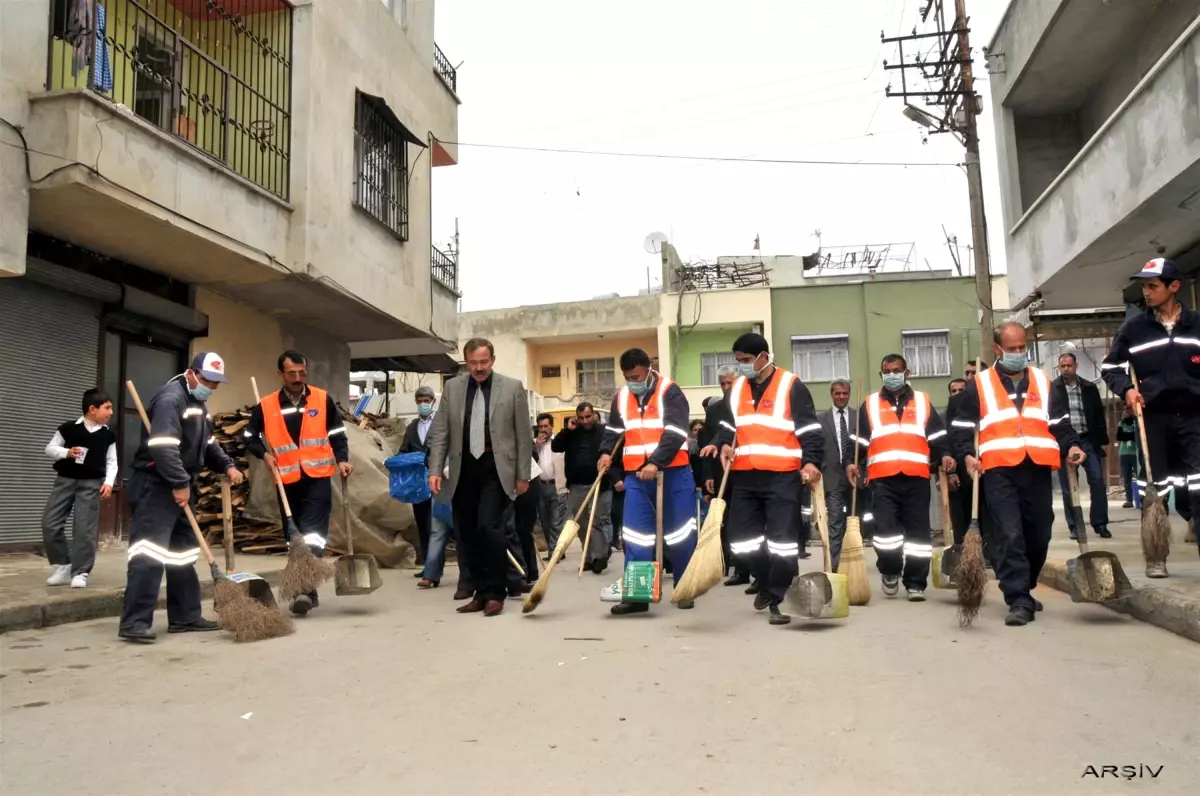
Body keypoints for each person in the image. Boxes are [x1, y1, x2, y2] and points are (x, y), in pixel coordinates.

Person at [951, 323, 1085, 626]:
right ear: (998, 350)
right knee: (1010, 534)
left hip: (1036, 466)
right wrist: (967, 455)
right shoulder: (981, 384)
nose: (1019, 353)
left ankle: (1024, 585)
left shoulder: (1042, 380)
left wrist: (1073, 446)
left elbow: (1060, 424)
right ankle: (1018, 599)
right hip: (998, 469)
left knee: (1041, 532)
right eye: (1012, 349)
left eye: (1022, 347)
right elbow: (961, 427)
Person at [119, 353, 243, 643]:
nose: (211, 387)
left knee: (182, 553)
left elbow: (207, 442)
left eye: (216, 384)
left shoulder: (197, 403)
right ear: (192, 373)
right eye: (207, 381)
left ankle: (185, 616)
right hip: (156, 485)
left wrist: (226, 464)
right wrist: (178, 482)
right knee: (148, 554)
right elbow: (163, 446)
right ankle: (135, 622)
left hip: (180, 482)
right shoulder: (170, 399)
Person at [705, 333, 824, 626]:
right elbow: (728, 424)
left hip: (782, 476)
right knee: (740, 540)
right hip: (745, 475)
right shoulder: (738, 388)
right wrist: (723, 443)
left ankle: (777, 596)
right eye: (738, 361)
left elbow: (810, 430)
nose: (741, 366)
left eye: (745, 360)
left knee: (783, 541)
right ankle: (767, 578)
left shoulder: (791, 385)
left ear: (763, 356)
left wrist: (811, 462)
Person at [1101, 258, 1200, 574]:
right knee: (1154, 487)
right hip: (1153, 418)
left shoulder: (1197, 324)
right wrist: (1126, 391)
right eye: (1144, 286)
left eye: (1153, 285)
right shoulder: (1135, 328)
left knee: (1198, 485)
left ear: (1174, 287)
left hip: (1194, 417)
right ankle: (1156, 555)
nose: (1146, 291)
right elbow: (1111, 367)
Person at [427, 338, 532, 617]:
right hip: (464, 469)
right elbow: (441, 433)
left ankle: (497, 592)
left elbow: (524, 435)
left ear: (493, 360)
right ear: (466, 363)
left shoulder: (512, 388)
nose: (479, 368)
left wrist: (523, 474)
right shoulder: (453, 388)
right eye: (473, 363)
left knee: (489, 527)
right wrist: (435, 469)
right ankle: (480, 591)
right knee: (468, 533)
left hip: (497, 468)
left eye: (484, 362)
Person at [246, 350, 352, 616]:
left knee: (313, 535)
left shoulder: (322, 398)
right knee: (294, 537)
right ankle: (307, 590)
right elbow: (249, 436)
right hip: (287, 480)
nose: (297, 378)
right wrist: (265, 454)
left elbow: (337, 434)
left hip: (317, 477)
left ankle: (302, 590)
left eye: (301, 373)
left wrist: (342, 460)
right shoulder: (267, 405)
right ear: (280, 374)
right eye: (291, 373)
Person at [847, 354, 956, 601]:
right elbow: (858, 441)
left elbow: (937, 436)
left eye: (897, 370)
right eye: (887, 370)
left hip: (916, 478)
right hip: (882, 478)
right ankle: (890, 569)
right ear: (881, 375)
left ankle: (916, 581)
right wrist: (851, 463)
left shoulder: (923, 401)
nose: (892, 374)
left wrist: (947, 454)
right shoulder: (871, 403)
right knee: (886, 530)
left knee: (918, 534)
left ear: (907, 373)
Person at [598, 348, 696, 615]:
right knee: (636, 535)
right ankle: (638, 595)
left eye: (637, 376)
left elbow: (675, 431)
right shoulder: (621, 397)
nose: (633, 381)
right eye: (629, 377)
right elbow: (614, 430)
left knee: (680, 534)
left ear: (649, 368)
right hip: (637, 477)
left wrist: (656, 461)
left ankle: (685, 587)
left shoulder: (670, 392)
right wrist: (606, 453)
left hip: (673, 473)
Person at [42, 389, 118, 589]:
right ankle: (63, 564)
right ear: (92, 409)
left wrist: (109, 482)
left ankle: (81, 572)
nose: (111, 412)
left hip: (91, 484)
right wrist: (67, 452)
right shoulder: (68, 429)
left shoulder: (108, 435)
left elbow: (112, 462)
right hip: (65, 481)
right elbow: (49, 448)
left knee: (84, 530)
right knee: (50, 523)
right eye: (107, 408)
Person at [700, 364, 752, 587]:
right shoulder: (715, 410)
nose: (725, 387)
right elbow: (708, 444)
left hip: (749, 470)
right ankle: (738, 568)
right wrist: (708, 476)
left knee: (749, 522)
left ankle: (758, 571)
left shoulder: (749, 403)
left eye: (729, 383)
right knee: (728, 523)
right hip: (723, 474)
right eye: (722, 384)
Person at [1052, 352, 1111, 540]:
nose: (1066, 369)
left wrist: (1103, 442)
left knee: (1097, 481)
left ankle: (1100, 523)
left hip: (1087, 440)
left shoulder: (1089, 388)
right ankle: (1075, 526)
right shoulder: (1052, 390)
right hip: (1064, 443)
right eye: (1063, 366)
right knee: (1069, 487)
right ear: (1058, 368)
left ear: (1076, 366)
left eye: (1069, 366)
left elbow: (1099, 417)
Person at [553, 402, 613, 573]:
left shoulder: (604, 432)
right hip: (577, 485)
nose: (585, 421)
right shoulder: (571, 433)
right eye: (581, 418)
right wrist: (567, 430)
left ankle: (600, 557)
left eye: (588, 417)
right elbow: (555, 447)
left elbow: (613, 453)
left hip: (599, 484)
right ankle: (588, 557)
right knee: (581, 523)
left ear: (593, 415)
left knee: (597, 521)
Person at [401, 386, 440, 588]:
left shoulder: (441, 423)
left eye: (427, 400)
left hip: (438, 481)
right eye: (420, 400)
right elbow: (403, 450)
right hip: (418, 484)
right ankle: (427, 565)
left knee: (438, 526)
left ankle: (435, 568)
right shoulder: (411, 427)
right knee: (423, 525)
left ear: (433, 401)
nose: (423, 404)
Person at [819, 379, 859, 572]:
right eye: (837, 393)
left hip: (856, 477)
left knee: (855, 521)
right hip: (832, 477)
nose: (841, 396)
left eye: (845, 393)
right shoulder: (821, 419)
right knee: (835, 520)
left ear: (850, 393)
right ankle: (836, 563)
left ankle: (854, 559)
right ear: (831, 395)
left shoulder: (860, 417)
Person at [532, 413, 565, 556]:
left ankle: (554, 551)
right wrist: (536, 447)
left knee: (556, 521)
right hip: (540, 486)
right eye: (540, 427)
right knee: (545, 521)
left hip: (556, 485)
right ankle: (557, 549)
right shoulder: (535, 444)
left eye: (546, 426)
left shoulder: (558, 441)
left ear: (552, 426)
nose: (543, 429)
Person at [1116, 408, 1139, 509]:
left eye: (1128, 410)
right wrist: (1130, 435)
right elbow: (1119, 436)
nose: (1126, 412)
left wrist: (1128, 435)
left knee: (1139, 477)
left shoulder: (1136, 422)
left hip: (1135, 453)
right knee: (1127, 478)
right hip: (1124, 453)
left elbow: (1137, 436)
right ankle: (1129, 500)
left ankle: (1140, 499)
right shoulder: (1121, 423)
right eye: (1124, 410)